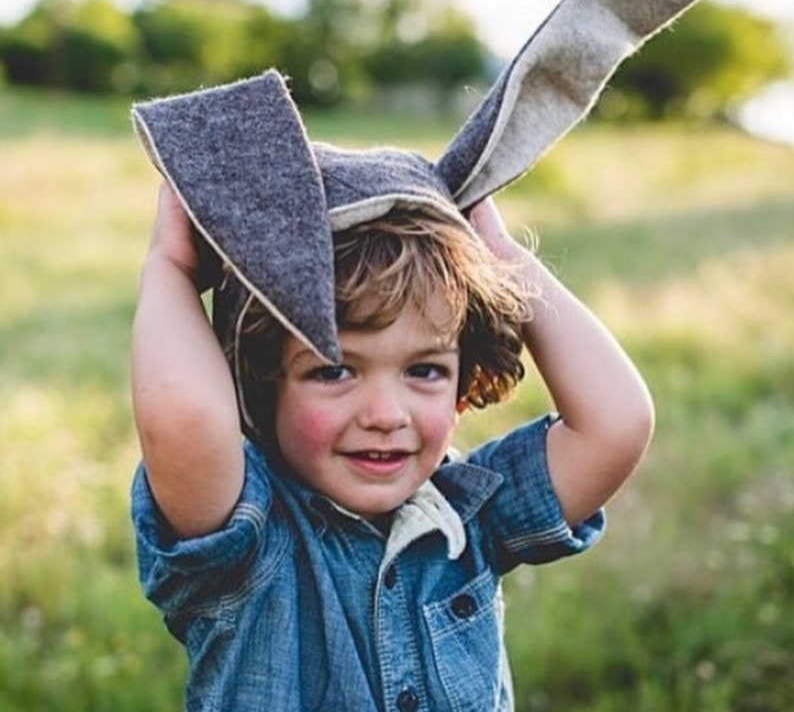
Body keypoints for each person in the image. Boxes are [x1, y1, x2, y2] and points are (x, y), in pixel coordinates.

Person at [130, 177, 654, 711]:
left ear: (462, 386)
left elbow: (615, 425)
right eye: (335, 371)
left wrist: (499, 257)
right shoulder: (247, 538)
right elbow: (185, 418)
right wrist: (171, 268)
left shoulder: (467, 519)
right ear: (265, 384)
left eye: (423, 369)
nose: (385, 415)